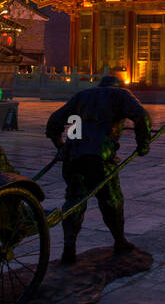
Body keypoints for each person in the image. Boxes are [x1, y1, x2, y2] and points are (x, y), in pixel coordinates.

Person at [45, 75, 152, 265]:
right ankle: (119, 241)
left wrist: (60, 145)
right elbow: (142, 116)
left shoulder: (83, 95)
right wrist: (143, 144)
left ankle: (68, 248)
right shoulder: (120, 95)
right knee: (112, 200)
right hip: (99, 158)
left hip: (73, 156)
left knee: (75, 200)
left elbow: (54, 121)